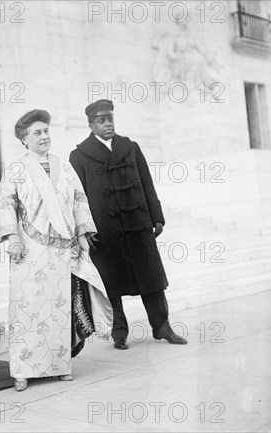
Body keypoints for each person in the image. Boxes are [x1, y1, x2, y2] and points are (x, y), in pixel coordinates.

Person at [0, 109, 108, 392]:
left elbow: (79, 200)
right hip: (29, 251)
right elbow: (5, 203)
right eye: (37, 132)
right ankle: (22, 370)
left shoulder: (65, 167)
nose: (44, 136)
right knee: (28, 310)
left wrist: (83, 233)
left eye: (46, 130)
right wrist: (12, 237)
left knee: (59, 310)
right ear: (24, 139)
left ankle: (60, 365)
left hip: (62, 250)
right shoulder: (16, 169)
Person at [69, 99, 187, 350]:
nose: (107, 124)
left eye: (110, 118)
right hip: (104, 231)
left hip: (138, 225)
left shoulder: (130, 147)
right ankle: (119, 332)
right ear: (91, 125)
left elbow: (146, 181)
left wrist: (156, 216)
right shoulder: (79, 156)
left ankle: (162, 326)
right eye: (101, 121)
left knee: (152, 279)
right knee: (111, 283)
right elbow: (77, 197)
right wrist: (83, 228)